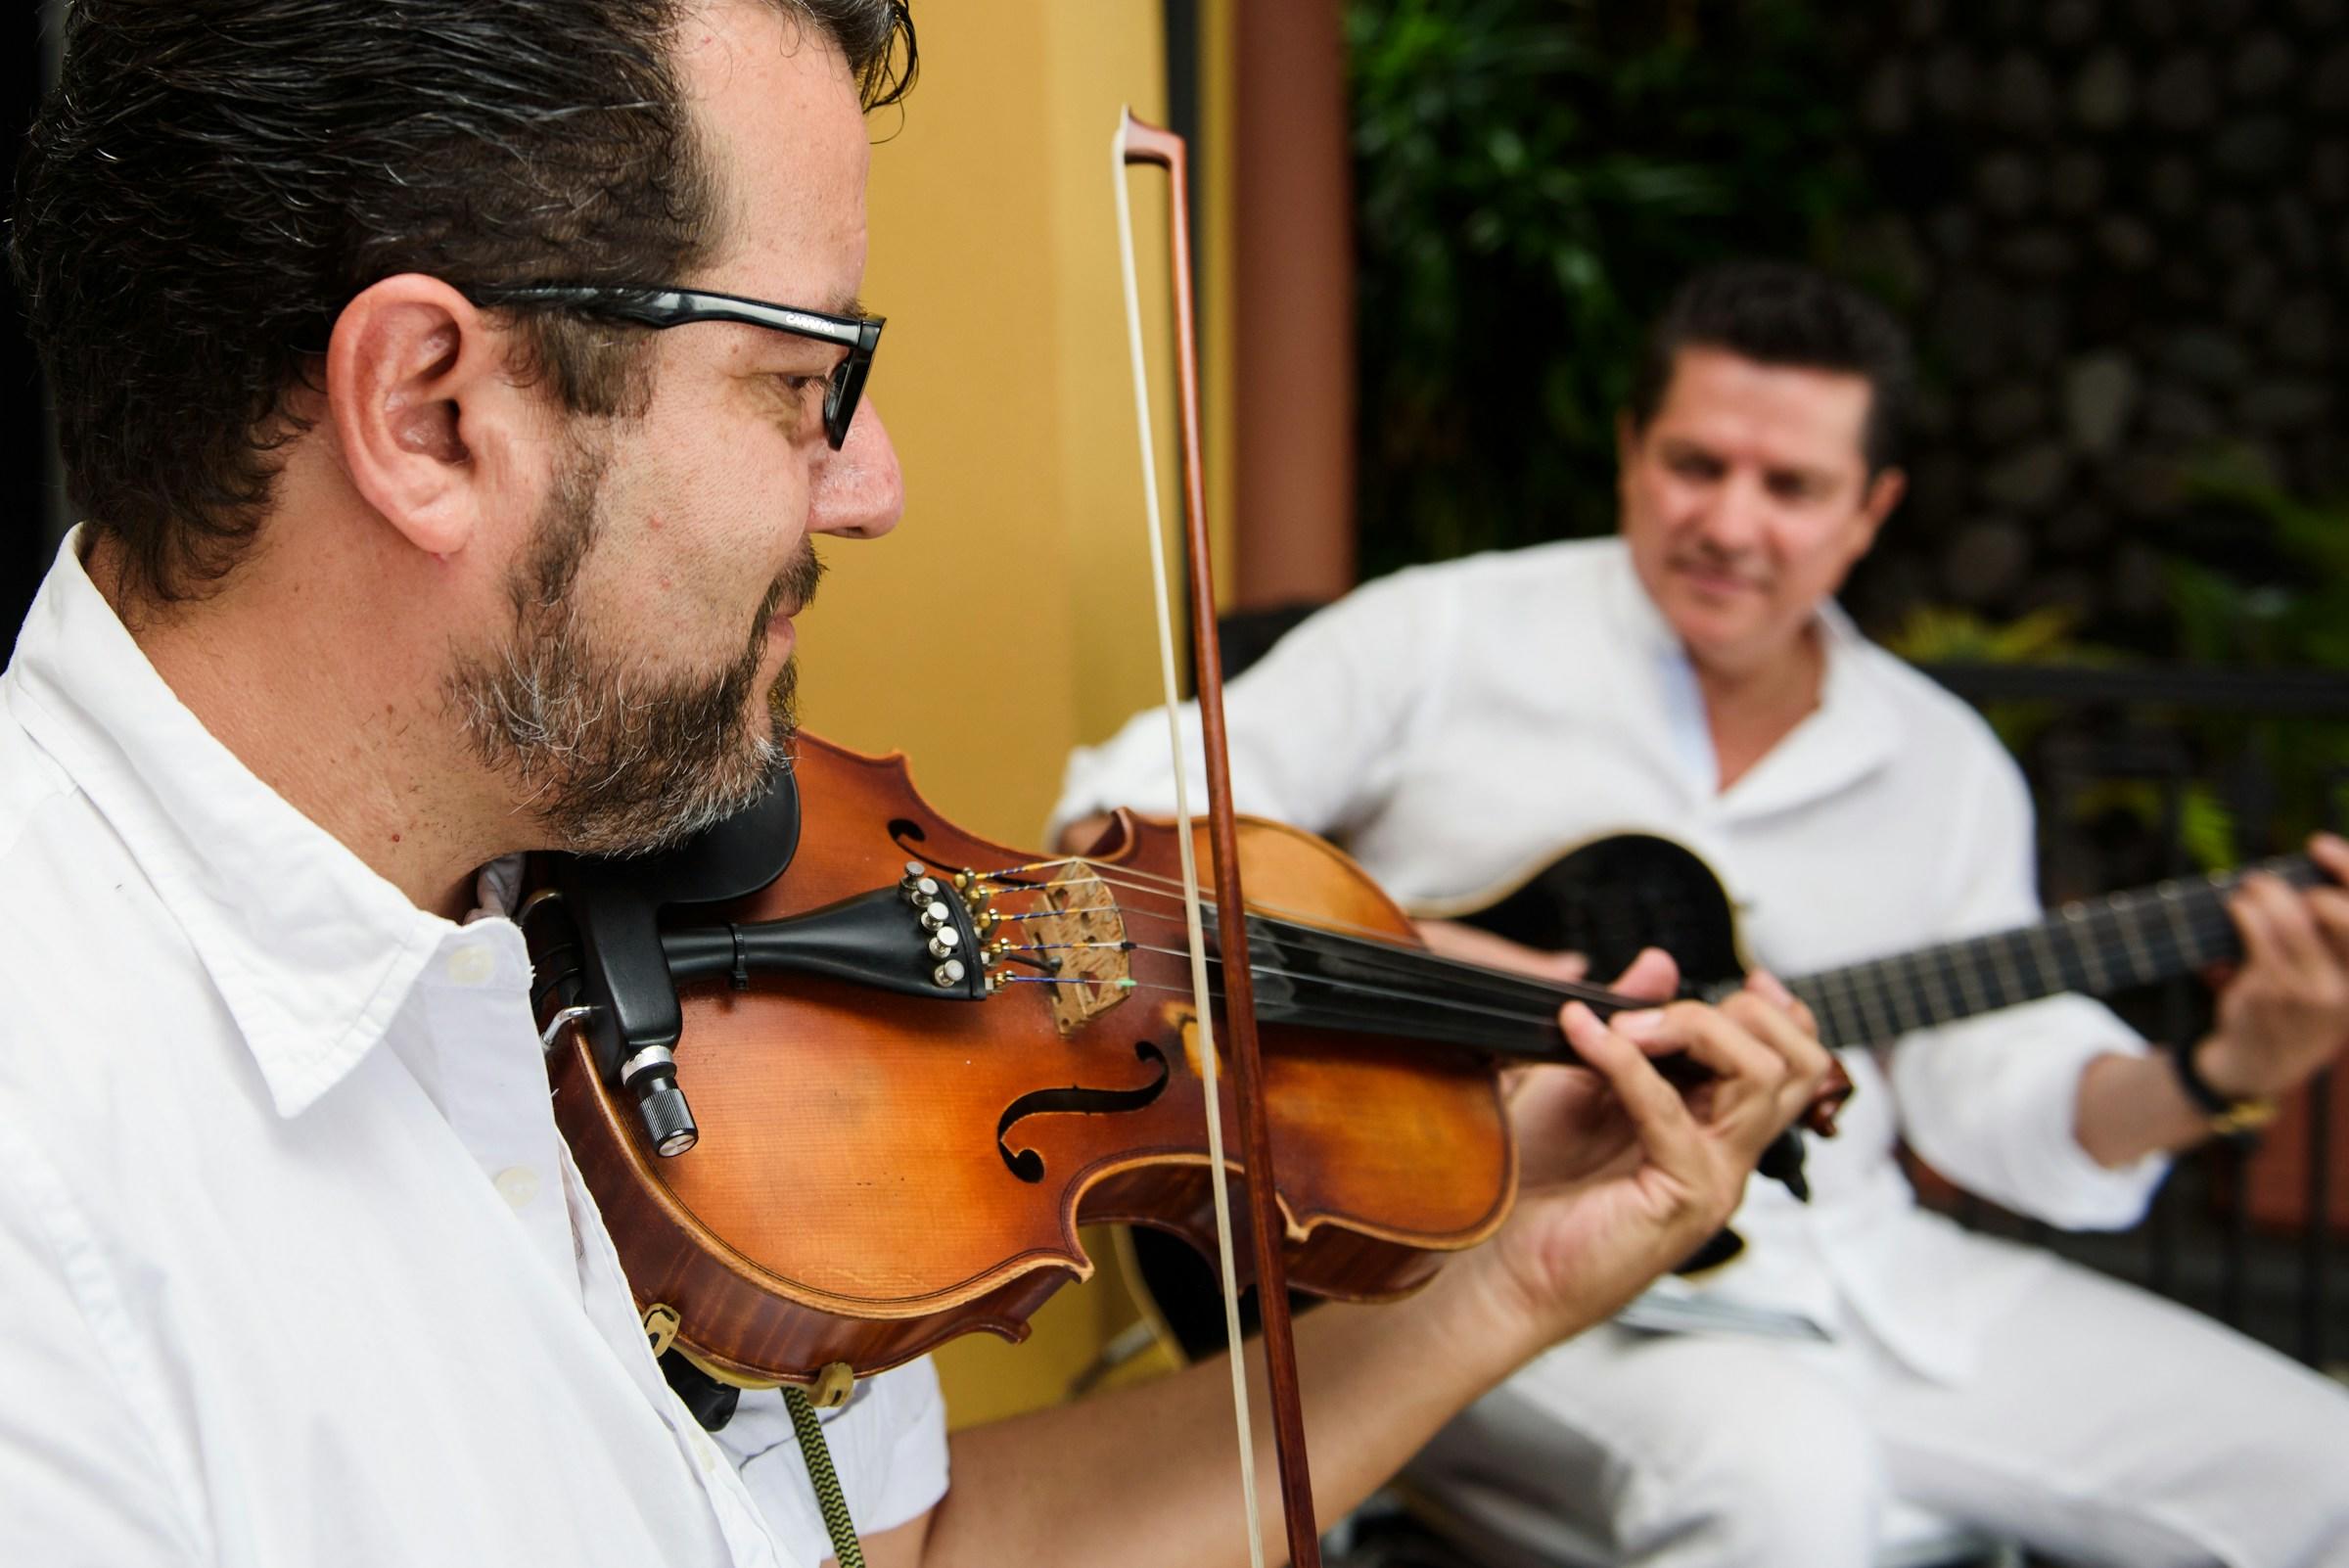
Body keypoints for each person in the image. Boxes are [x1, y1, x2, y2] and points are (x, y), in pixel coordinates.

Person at [0, 7, 1836, 1567]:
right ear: (430, 412)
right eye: (808, 378)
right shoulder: (57, 1205)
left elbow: (914, 1544)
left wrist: (1502, 1288)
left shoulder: (561, 885)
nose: (871, 486)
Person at [1051, 261, 2349, 1567]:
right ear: (1630, 452)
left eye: (1790, 488)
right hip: (1503, 1259)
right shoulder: (1448, 633)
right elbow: (1121, 817)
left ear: (1871, 509)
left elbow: (2001, 1097)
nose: (1731, 521)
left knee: (2318, 1470)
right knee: (1786, 1495)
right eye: (1695, 464)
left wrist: (2216, 1068)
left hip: (1867, 1275)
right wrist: (1436, 961)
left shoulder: (1942, 760)